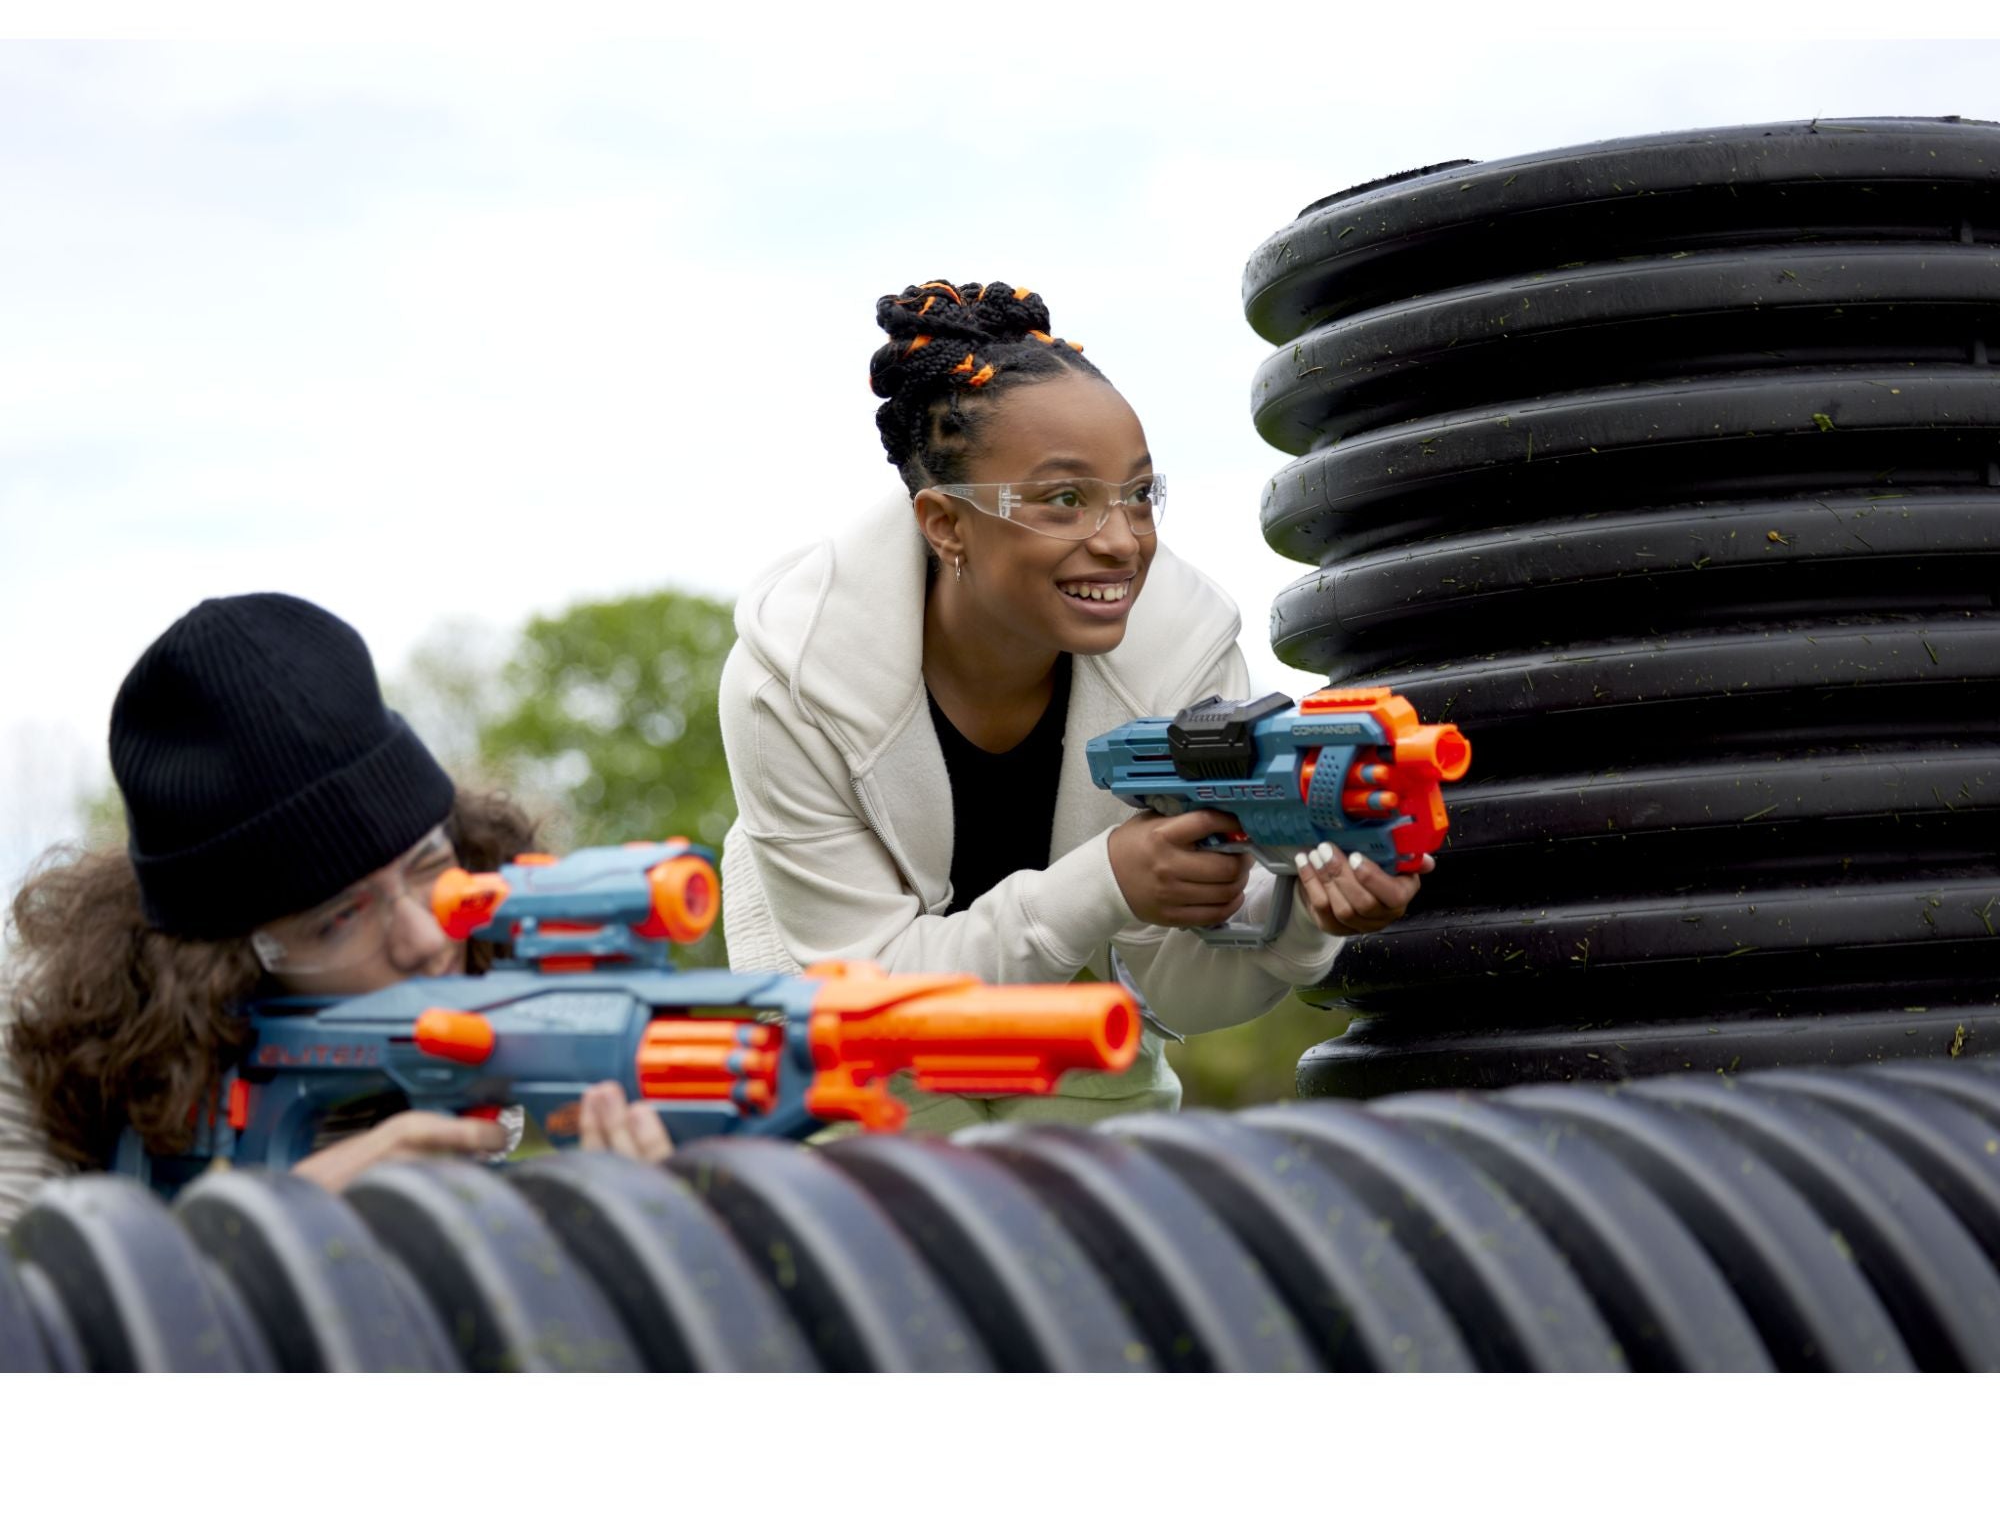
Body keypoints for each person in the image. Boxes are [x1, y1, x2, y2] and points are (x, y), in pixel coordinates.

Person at [718, 278, 1432, 1129]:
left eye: (1139, 495)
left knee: (1103, 1194)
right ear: (945, 524)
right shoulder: (794, 679)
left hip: (1075, 1030)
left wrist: (1305, 919)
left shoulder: (1185, 652)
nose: (1122, 541)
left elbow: (1176, 993)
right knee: (892, 1190)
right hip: (850, 1044)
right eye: (1065, 501)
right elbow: (872, 1007)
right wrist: (1109, 879)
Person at [0, 593, 667, 1237]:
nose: (425, 939)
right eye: (340, 919)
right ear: (219, 966)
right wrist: (266, 1236)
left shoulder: (491, 1014)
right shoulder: (33, 1061)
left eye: (431, 867)